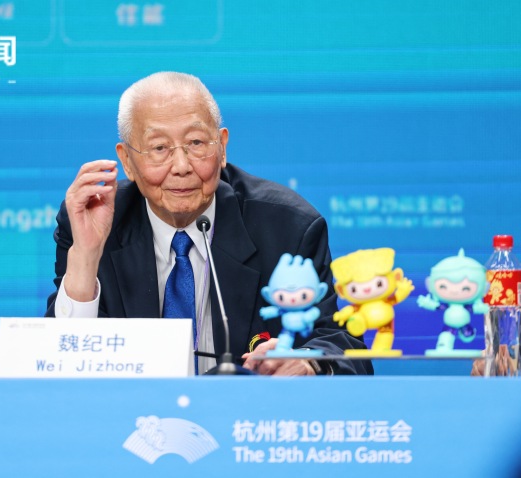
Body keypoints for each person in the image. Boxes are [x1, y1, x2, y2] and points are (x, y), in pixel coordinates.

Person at [45, 71, 372, 376]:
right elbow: (60, 362)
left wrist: (308, 362)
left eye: (196, 144)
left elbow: (345, 347)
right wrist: (86, 257)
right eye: (159, 148)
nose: (181, 166)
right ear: (127, 161)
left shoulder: (287, 227)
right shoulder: (94, 221)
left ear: (222, 147)